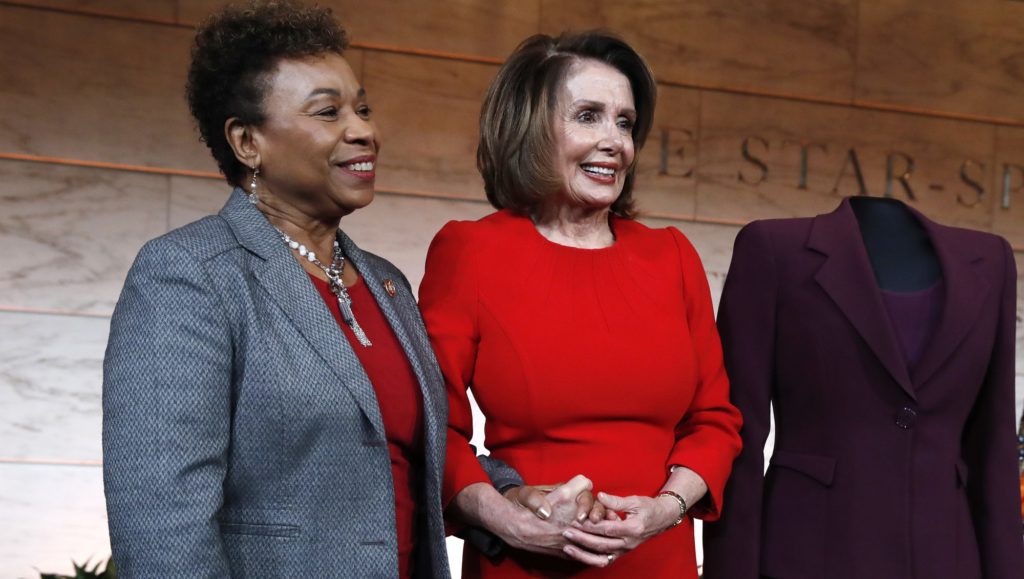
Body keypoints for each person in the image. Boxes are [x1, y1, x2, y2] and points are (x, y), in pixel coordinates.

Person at [102, 2, 450, 577]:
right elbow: (163, 525)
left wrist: (517, 494)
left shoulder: (387, 283)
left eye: (362, 108)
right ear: (247, 142)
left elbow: (411, 464)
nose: (363, 130)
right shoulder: (189, 274)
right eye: (328, 112)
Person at [418, 31, 744, 578]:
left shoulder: (672, 256)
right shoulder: (471, 252)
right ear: (530, 128)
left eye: (625, 122)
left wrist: (664, 511)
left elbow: (713, 421)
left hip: (658, 560)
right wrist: (513, 521)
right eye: (588, 116)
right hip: (524, 561)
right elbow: (433, 430)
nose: (614, 140)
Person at [703, 197, 1024, 578]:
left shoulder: (992, 263)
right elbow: (739, 436)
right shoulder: (775, 251)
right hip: (809, 557)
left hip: (945, 558)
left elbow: (994, 447)